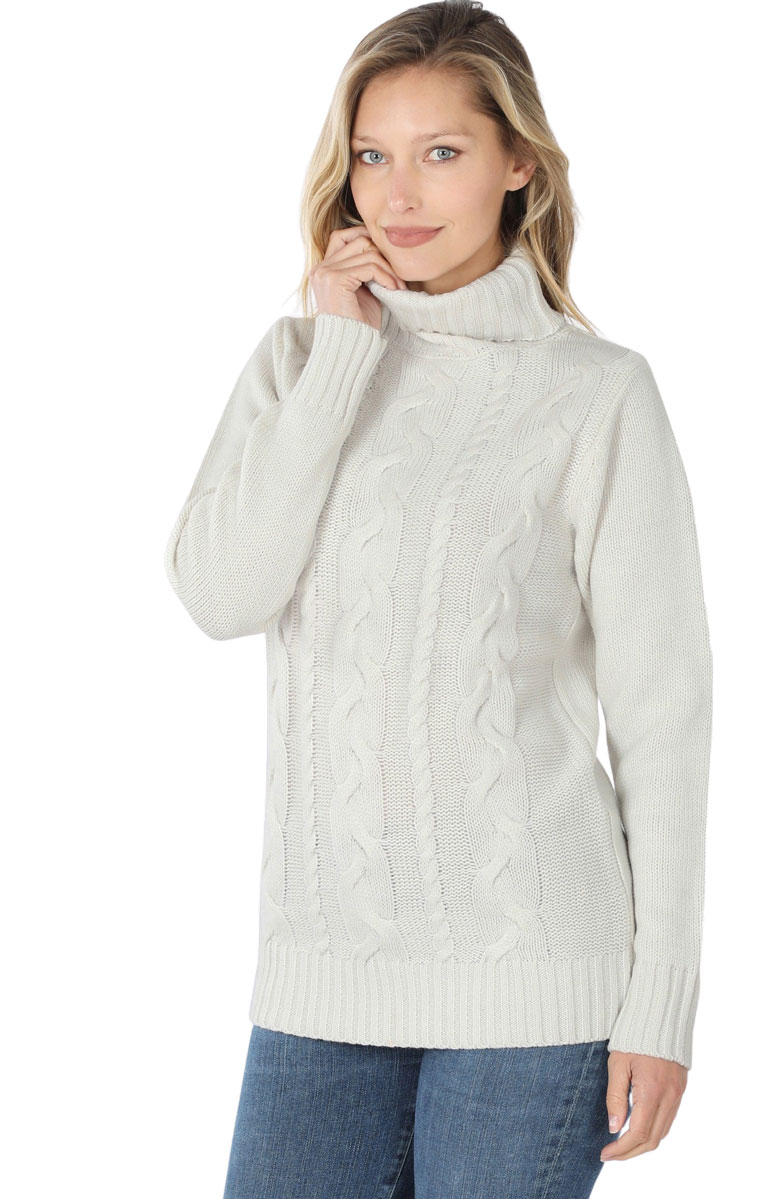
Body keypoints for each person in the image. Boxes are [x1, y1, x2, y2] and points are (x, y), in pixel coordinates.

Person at [163, 3, 714, 1195]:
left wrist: (661, 1001)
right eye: (372, 155)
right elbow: (219, 593)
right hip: (319, 981)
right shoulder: (298, 364)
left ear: (520, 166)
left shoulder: (597, 394)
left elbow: (664, 715)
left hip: (536, 986)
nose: (398, 193)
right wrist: (340, 357)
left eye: (442, 152)